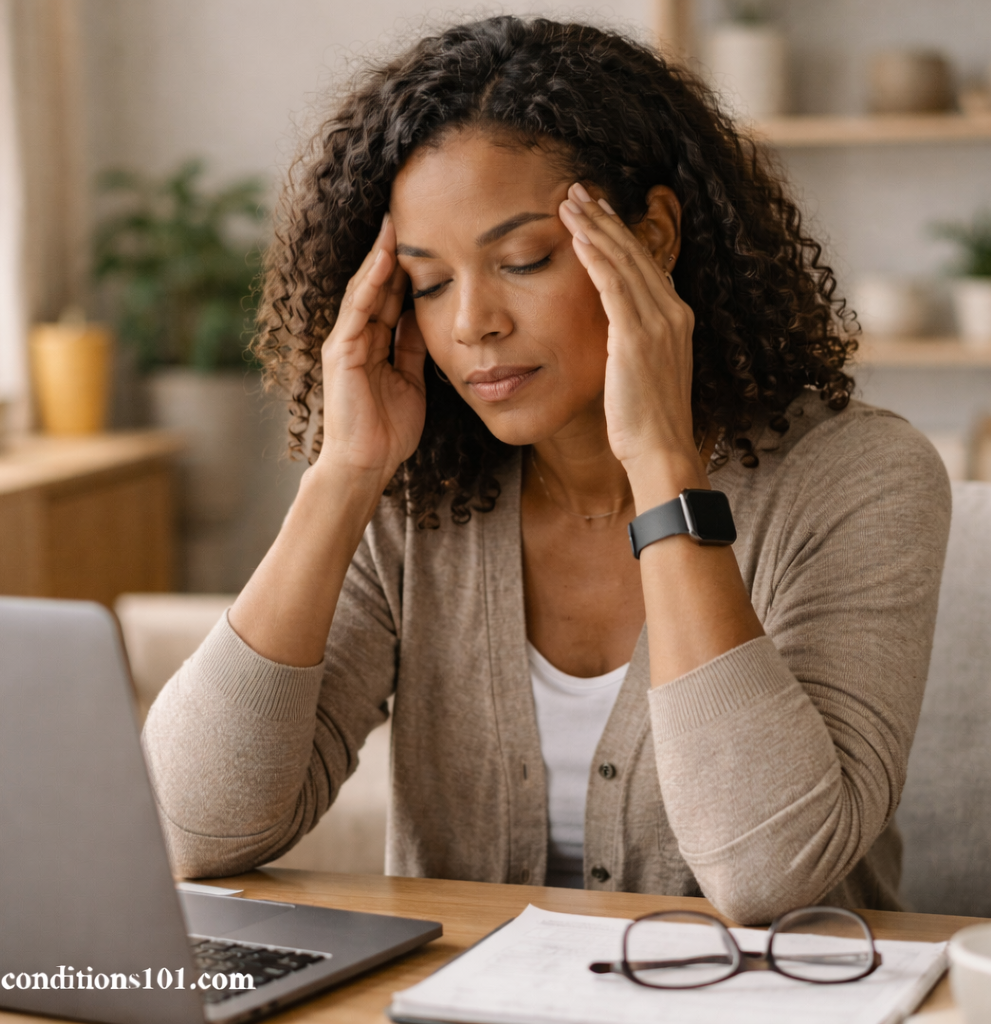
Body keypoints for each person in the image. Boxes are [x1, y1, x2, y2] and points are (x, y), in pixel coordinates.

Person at [142, 16, 951, 924]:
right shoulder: (417, 493)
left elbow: (769, 871)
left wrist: (662, 462)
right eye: (430, 282)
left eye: (522, 259)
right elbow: (189, 830)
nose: (470, 324)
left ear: (651, 237)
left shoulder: (860, 477)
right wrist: (344, 474)